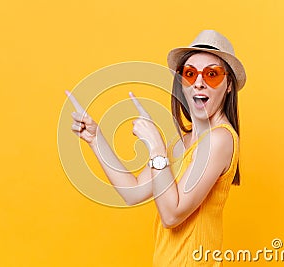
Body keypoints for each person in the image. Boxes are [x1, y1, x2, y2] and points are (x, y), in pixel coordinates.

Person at [67, 29, 246, 266]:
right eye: (190, 74)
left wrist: (156, 147)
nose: (199, 83)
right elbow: (133, 192)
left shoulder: (220, 139)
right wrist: (95, 138)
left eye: (212, 74)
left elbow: (172, 214)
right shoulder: (183, 142)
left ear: (229, 85)